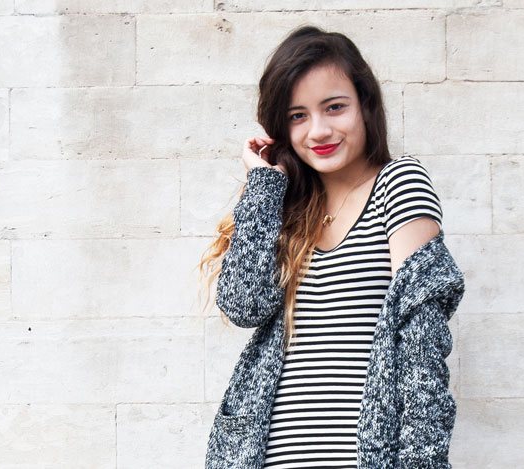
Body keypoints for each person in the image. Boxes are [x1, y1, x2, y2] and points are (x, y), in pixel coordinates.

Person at [198, 25, 465, 469]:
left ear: (365, 105)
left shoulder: (398, 184)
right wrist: (264, 186)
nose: (318, 130)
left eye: (334, 107)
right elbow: (244, 305)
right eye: (297, 115)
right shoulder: (286, 207)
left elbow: (422, 350)